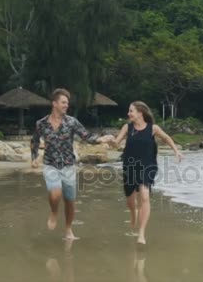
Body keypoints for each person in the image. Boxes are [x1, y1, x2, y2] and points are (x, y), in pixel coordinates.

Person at [31, 88, 113, 239]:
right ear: (54, 103)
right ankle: (54, 212)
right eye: (63, 102)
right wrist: (34, 157)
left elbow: (86, 135)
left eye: (67, 103)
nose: (66, 105)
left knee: (69, 201)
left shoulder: (72, 122)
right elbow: (35, 141)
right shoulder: (41, 123)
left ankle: (68, 229)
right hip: (50, 164)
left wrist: (100, 139)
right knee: (55, 194)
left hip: (69, 165)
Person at [111, 101, 183, 244]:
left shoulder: (153, 128)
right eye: (129, 111)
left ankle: (141, 234)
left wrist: (176, 151)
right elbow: (116, 143)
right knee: (130, 199)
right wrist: (109, 140)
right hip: (130, 166)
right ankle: (133, 213)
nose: (128, 113)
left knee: (144, 196)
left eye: (131, 111)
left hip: (148, 165)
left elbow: (167, 138)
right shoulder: (127, 127)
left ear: (140, 113)